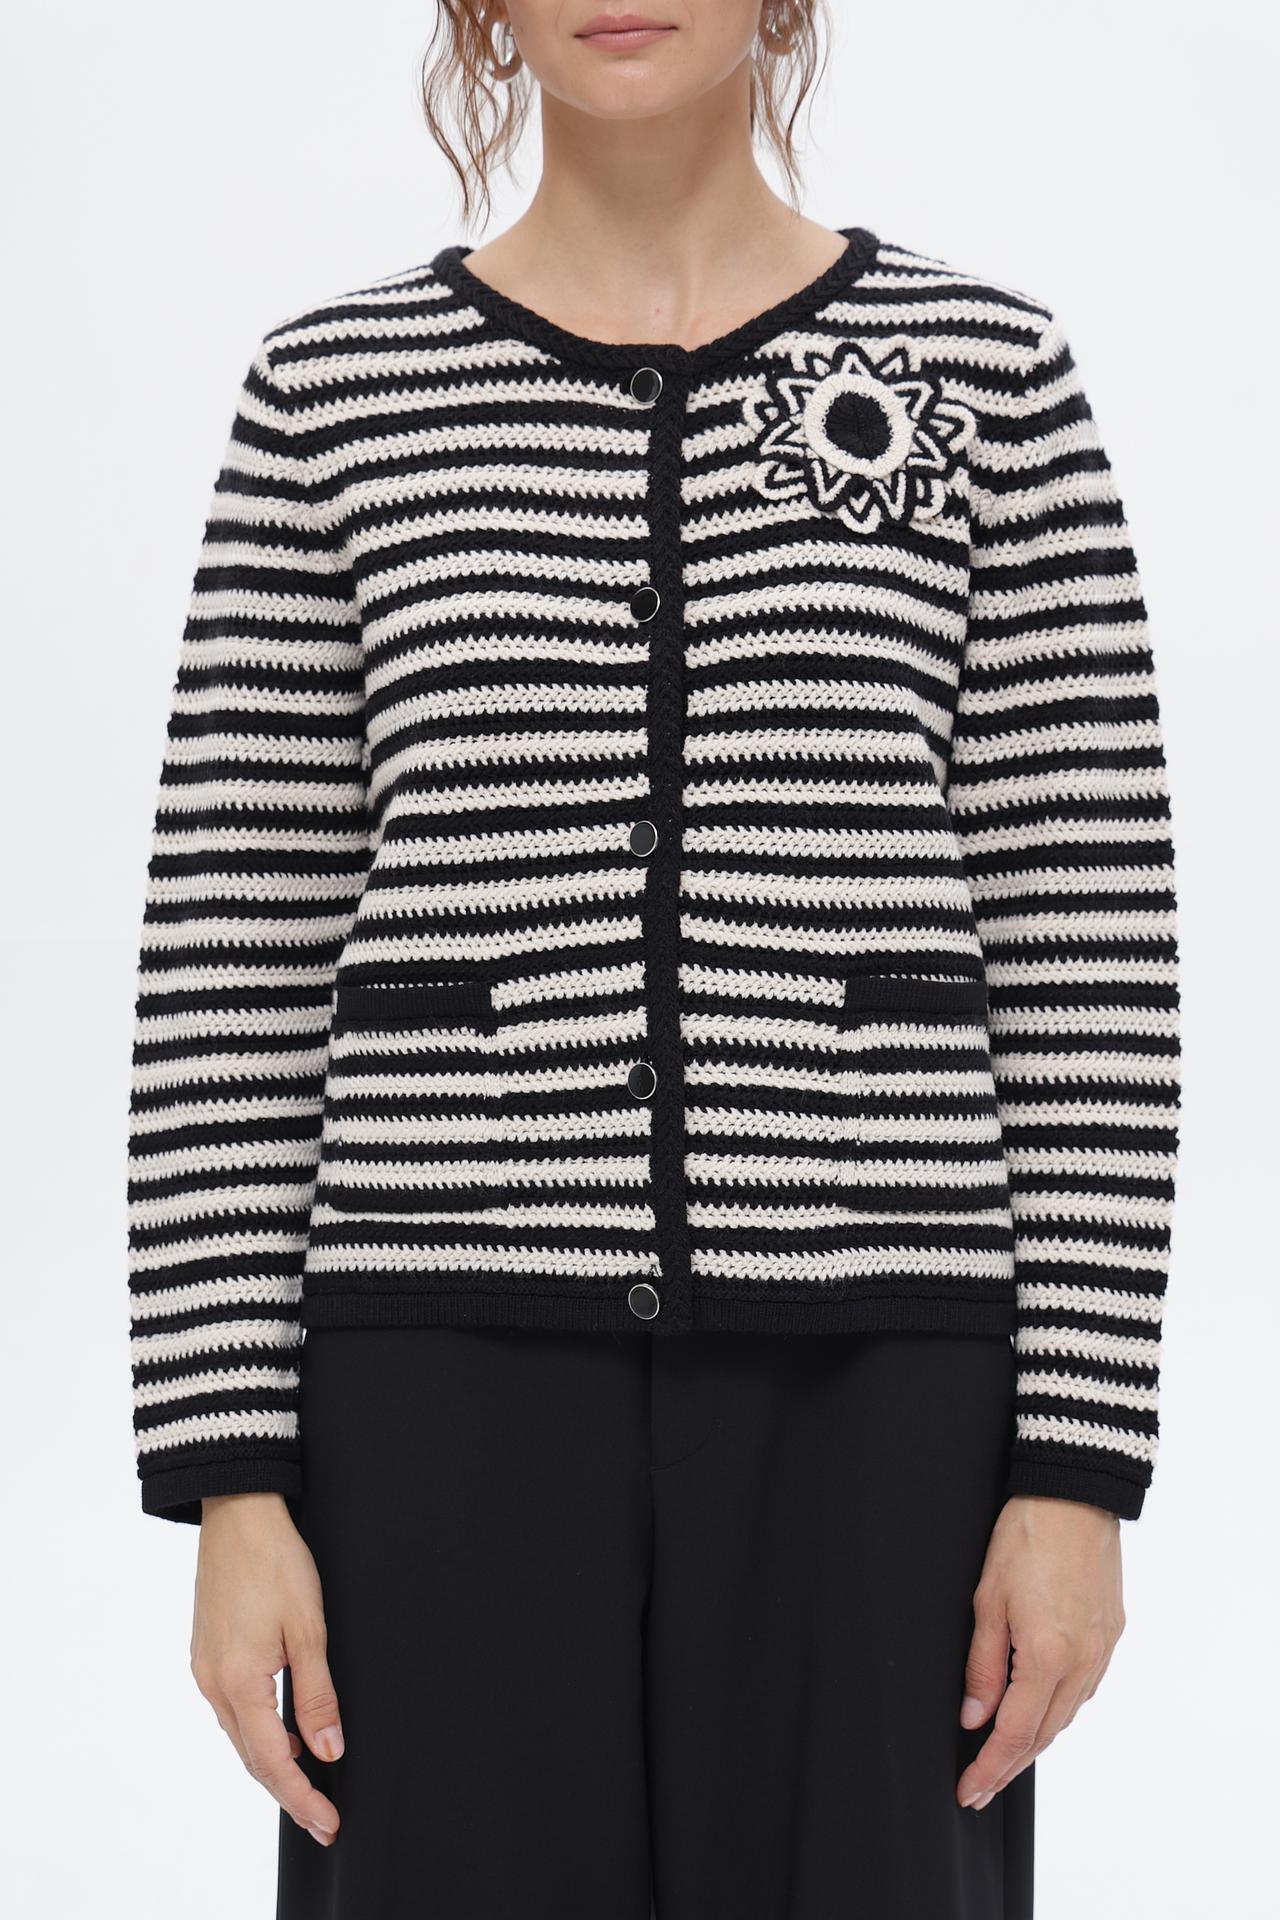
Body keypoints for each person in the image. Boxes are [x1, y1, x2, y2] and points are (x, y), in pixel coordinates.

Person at [125, 4, 1181, 1915]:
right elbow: (234, 947)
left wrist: (1079, 1465)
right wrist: (229, 1477)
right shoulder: (333, 395)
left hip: (882, 1384)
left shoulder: (988, 380)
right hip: (436, 1379)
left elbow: (1085, 939)